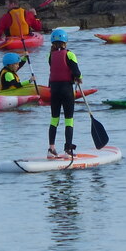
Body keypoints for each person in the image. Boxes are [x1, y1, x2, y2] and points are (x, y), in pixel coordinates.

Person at [46, 28, 82, 158]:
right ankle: (68, 150)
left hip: (54, 90)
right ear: (65, 42)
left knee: (54, 119)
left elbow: (55, 68)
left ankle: (51, 149)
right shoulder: (70, 54)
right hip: (66, 89)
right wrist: (79, 78)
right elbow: (76, 72)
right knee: (69, 120)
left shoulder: (50, 55)